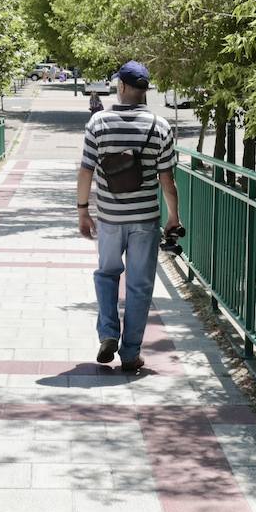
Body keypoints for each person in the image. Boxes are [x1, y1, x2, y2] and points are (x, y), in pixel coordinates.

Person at [76, 60, 182, 372]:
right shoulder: (160, 127)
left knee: (107, 274)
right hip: (145, 220)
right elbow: (168, 181)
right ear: (145, 90)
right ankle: (131, 353)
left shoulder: (98, 123)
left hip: (109, 217)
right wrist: (172, 217)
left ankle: (108, 332)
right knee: (139, 285)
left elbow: (85, 172)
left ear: (121, 87)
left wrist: (83, 211)